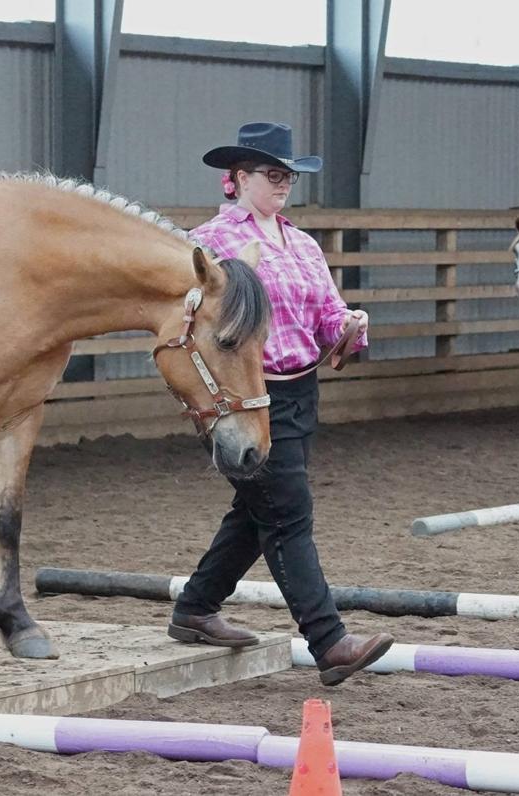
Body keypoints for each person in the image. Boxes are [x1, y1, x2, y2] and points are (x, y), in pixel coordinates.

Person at [167, 121, 394, 686]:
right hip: (247, 395)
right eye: (274, 173)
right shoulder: (211, 243)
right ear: (239, 178)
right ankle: (329, 640)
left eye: (289, 174)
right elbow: (196, 324)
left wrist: (351, 324)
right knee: (288, 514)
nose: (284, 182)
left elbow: (326, 316)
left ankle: (195, 608)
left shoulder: (304, 244)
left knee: (258, 511)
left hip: (298, 390)